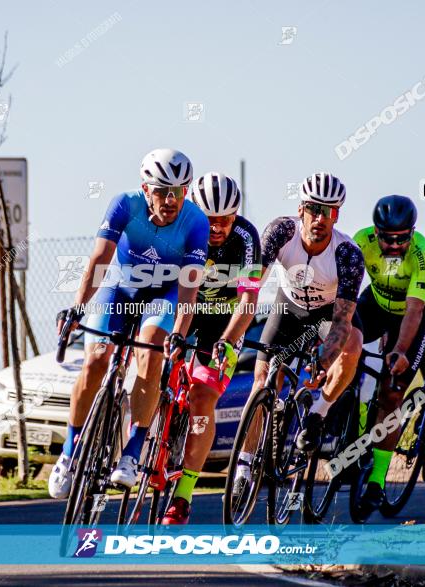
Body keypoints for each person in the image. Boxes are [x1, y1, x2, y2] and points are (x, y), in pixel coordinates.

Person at [48, 148, 209, 499]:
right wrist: (78, 307)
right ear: (145, 188)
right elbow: (100, 258)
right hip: (118, 287)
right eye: (162, 190)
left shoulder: (196, 222)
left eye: (179, 191)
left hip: (163, 296)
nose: (171, 199)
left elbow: (188, 290)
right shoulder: (124, 204)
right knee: (94, 361)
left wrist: (179, 336)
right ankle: (69, 453)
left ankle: (132, 452)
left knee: (151, 353)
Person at [232, 172, 365, 493]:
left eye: (329, 212)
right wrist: (234, 333)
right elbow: (250, 287)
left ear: (337, 215)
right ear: (301, 209)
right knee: (262, 382)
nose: (320, 218)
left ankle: (320, 411)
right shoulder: (280, 231)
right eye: (314, 209)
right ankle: (244, 465)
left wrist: (323, 359)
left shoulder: (347, 254)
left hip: (328, 315)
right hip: (288, 308)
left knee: (354, 344)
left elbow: (344, 321)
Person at [160, 172, 262, 525]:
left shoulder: (247, 238)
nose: (217, 227)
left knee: (202, 400)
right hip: (180, 311)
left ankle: (183, 497)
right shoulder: (182, 228)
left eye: (225, 220)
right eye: (210, 219)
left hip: (223, 324)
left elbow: (249, 299)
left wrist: (228, 340)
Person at [350, 195, 425, 515]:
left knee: (392, 392)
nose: (396, 245)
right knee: (344, 349)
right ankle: (351, 424)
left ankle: (377, 480)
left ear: (412, 233)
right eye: (388, 238)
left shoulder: (423, 253)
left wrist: (399, 349)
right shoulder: (361, 242)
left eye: (403, 238)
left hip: (410, 317)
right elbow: (345, 289)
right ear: (376, 232)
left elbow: (414, 311)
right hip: (374, 303)